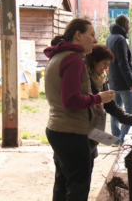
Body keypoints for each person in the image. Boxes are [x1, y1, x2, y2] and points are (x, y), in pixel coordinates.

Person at [44, 18, 115, 200]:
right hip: (71, 132)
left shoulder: (57, 56)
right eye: (91, 35)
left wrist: (93, 101)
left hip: (57, 129)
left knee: (62, 184)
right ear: (77, 35)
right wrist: (98, 98)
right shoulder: (73, 59)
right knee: (78, 187)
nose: (94, 40)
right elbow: (70, 100)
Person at [84, 44, 132, 154]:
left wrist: (129, 118)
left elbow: (109, 105)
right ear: (94, 61)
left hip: (94, 129)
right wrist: (96, 100)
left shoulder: (101, 77)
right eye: (104, 64)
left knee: (90, 159)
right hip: (81, 128)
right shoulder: (84, 77)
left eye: (107, 64)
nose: (105, 68)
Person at [106, 15, 132, 145]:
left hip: (113, 81)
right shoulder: (120, 39)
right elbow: (123, 63)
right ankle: (123, 138)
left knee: (115, 110)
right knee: (130, 110)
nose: (130, 26)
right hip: (123, 83)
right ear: (125, 24)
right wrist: (131, 83)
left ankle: (115, 137)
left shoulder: (110, 38)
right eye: (129, 23)